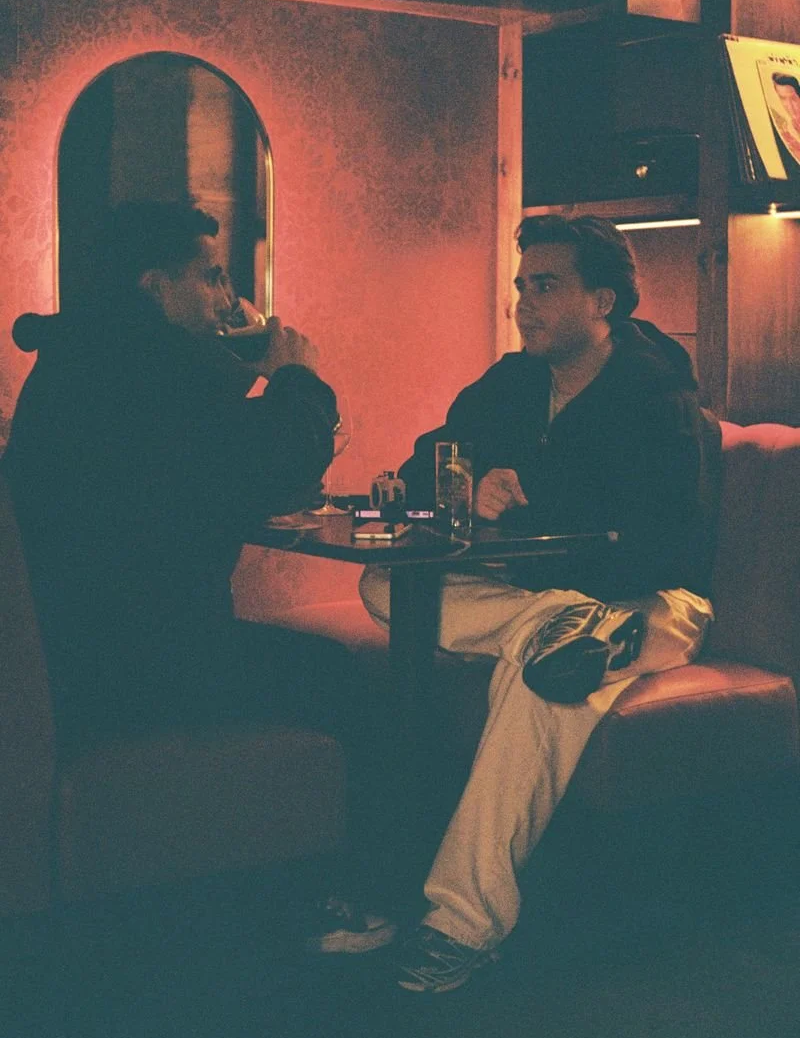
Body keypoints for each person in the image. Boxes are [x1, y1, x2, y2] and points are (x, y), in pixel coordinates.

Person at [3, 200, 394, 954]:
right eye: (210, 278)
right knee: (341, 677)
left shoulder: (84, 360)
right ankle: (334, 899)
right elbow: (266, 462)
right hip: (132, 663)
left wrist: (239, 374)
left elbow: (185, 469)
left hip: (69, 653)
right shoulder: (145, 371)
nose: (226, 297)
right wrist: (297, 377)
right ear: (155, 284)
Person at [360, 214, 721, 992]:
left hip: (655, 602)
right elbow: (425, 463)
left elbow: (655, 543)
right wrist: (472, 480)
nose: (524, 302)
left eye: (546, 286)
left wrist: (530, 511)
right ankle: (554, 627)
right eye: (522, 286)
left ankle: (462, 924)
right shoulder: (514, 382)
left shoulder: (656, 396)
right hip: (547, 602)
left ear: (603, 301)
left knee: (546, 680)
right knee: (382, 582)